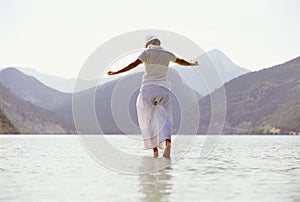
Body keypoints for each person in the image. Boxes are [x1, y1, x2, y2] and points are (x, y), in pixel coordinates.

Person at [107, 35, 198, 158]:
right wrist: (192, 63)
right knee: (166, 119)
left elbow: (133, 64)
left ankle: (155, 151)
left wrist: (117, 72)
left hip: (148, 90)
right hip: (164, 90)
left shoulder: (147, 52)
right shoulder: (167, 53)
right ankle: (168, 144)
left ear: (149, 43)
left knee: (146, 119)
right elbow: (181, 61)